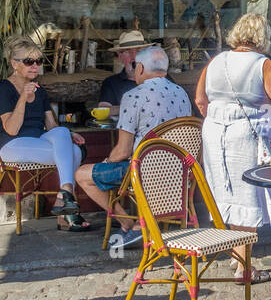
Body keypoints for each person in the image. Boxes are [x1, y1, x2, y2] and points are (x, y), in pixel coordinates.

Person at [195, 13, 271, 249]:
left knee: (226, 194)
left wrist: (218, 120)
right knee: (246, 199)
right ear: (262, 37)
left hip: (214, 134)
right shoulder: (263, 64)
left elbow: (200, 100)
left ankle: (239, 258)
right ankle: (242, 265)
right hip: (245, 135)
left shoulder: (215, 61)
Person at [76, 45, 193, 252]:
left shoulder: (134, 96)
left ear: (139, 68)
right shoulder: (181, 92)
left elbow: (122, 151)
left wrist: (106, 162)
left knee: (82, 174)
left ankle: (129, 224)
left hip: (144, 173)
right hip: (180, 173)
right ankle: (142, 223)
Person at [0, 34, 89, 230]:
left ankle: (65, 198)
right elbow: (11, 129)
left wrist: (67, 135)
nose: (35, 66)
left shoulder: (40, 90)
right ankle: (66, 209)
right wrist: (23, 98)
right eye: (29, 61)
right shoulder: (3, 89)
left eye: (38, 61)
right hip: (13, 144)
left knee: (68, 141)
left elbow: (52, 127)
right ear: (14, 63)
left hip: (39, 140)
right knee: (73, 154)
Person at [98, 31, 156, 113]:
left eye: (138, 51)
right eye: (128, 52)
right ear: (120, 56)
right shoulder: (112, 82)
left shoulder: (160, 78)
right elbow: (103, 110)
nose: (134, 57)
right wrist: (134, 108)